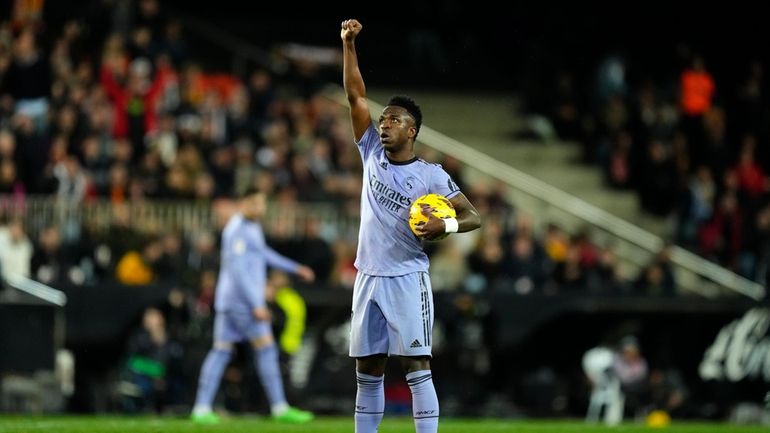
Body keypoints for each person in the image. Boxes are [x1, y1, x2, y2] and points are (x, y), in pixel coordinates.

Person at [341, 19, 482, 433]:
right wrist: (348, 45)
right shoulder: (370, 152)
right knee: (367, 370)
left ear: (412, 130)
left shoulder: (432, 176)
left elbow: (474, 216)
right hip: (367, 275)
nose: (384, 124)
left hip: (407, 277)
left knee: (417, 366)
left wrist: (446, 226)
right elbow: (354, 94)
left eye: (394, 119)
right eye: (383, 119)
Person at [190, 186, 316, 424]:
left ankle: (201, 408)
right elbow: (237, 271)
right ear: (244, 203)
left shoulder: (251, 227)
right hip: (241, 303)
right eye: (256, 203)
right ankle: (279, 407)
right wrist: (256, 303)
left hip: (229, 301)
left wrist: (295, 268)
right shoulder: (236, 229)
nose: (261, 208)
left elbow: (264, 254)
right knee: (266, 350)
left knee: (221, 351)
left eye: (263, 203)